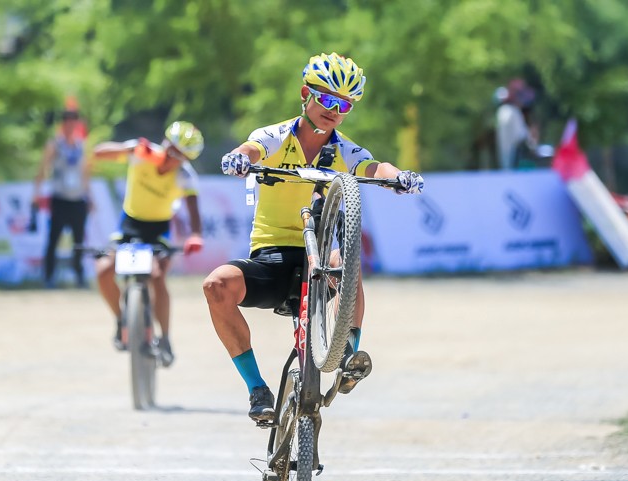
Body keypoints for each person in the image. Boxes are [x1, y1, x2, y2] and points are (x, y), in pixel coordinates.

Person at [206, 52, 424, 423]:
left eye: (345, 105)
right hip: (273, 257)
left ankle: (349, 354)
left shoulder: (343, 149)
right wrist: (238, 157)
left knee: (344, 261)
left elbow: (373, 166)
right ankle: (257, 388)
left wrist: (398, 175)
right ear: (305, 93)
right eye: (326, 99)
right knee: (216, 286)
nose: (334, 110)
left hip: (319, 258)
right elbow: (253, 149)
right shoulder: (276, 136)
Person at [91, 121, 205, 367]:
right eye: (169, 148)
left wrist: (195, 235)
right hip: (128, 226)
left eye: (178, 155)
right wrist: (128, 149)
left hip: (159, 231)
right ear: (164, 143)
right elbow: (99, 152)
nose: (170, 156)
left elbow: (194, 210)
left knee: (156, 276)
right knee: (103, 270)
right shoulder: (141, 154)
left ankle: (164, 338)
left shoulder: (185, 176)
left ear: (185, 159)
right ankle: (122, 320)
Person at [33, 109, 94, 288]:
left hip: (77, 199)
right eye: (67, 121)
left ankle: (79, 275)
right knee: (53, 239)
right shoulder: (55, 144)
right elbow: (43, 168)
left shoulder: (80, 145)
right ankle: (49, 276)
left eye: (73, 122)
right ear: (63, 124)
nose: (70, 125)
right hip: (60, 198)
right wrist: (35, 193)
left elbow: (85, 173)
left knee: (79, 241)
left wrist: (90, 196)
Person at [495, 79, 538, 170]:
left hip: (507, 166)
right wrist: (532, 136)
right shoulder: (512, 112)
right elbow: (521, 138)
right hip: (514, 168)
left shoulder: (504, 111)